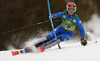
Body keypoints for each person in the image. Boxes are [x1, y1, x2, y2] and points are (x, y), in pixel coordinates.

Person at [11, 2, 87, 55]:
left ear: (75, 10)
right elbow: (51, 16)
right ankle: (30, 47)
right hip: (60, 28)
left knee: (57, 38)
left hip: (68, 34)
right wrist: (53, 18)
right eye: (69, 9)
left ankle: (43, 47)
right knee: (48, 37)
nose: (71, 11)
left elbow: (82, 29)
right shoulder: (63, 14)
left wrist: (82, 39)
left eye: (73, 10)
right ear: (67, 9)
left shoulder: (76, 18)